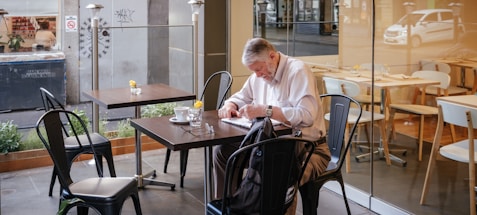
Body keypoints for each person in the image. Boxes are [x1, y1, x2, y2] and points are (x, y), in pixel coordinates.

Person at [215, 38, 331, 214]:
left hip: (309, 149)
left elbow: (307, 116)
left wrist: (266, 110)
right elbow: (241, 96)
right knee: (222, 152)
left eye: (259, 69)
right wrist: (230, 105)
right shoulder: (260, 74)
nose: (257, 75)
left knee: (280, 170)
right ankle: (230, 208)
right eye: (253, 71)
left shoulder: (297, 71)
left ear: (272, 56)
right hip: (266, 147)